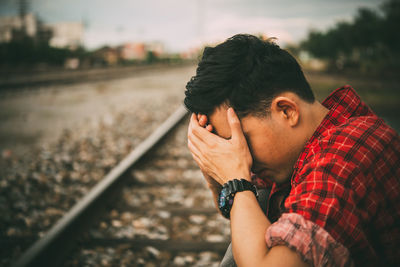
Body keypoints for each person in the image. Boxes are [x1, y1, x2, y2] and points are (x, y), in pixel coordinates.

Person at [184, 34, 400, 266]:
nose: (239, 155)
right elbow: (242, 212)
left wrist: (236, 181)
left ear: (286, 110)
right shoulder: (309, 143)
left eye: (240, 139)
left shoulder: (343, 156)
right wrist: (214, 167)